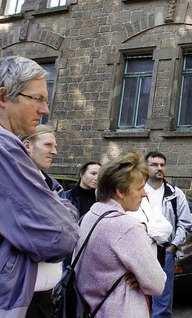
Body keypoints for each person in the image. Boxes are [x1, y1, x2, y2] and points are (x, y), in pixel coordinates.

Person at [0, 56, 79, 316]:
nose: (45, 109)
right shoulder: (6, 151)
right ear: (3, 97)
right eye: (38, 99)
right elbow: (61, 236)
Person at [75, 151, 166, 316]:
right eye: (139, 188)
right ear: (120, 191)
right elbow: (157, 283)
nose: (144, 194)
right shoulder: (126, 226)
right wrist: (140, 277)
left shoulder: (90, 215)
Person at [21, 124, 69, 318]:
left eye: (55, 145)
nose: (54, 151)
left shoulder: (54, 186)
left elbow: (70, 232)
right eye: (48, 145)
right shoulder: (13, 182)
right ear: (27, 145)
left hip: (47, 298)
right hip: (17, 298)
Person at [141, 151, 192, 318]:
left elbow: (185, 223)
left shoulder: (175, 193)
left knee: (162, 300)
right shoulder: (137, 190)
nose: (159, 168)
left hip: (165, 251)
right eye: (154, 165)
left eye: (162, 165)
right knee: (135, 295)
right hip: (139, 249)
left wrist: (173, 246)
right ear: (145, 167)